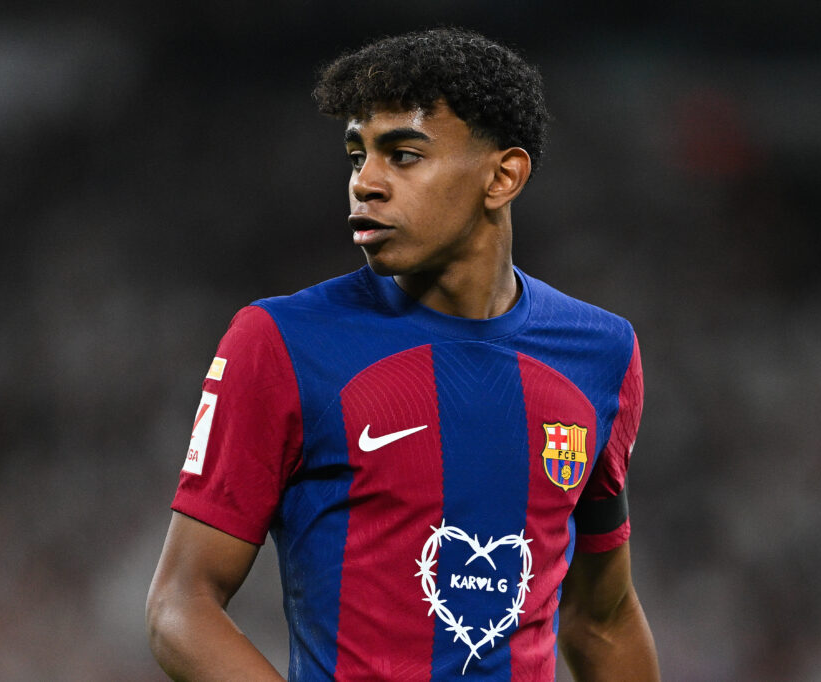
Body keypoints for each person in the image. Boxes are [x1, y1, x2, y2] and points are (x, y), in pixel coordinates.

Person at [147, 27, 659, 681]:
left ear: (503, 176)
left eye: (404, 155)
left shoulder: (601, 354)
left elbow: (601, 618)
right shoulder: (280, 341)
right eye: (357, 154)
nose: (366, 182)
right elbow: (180, 606)